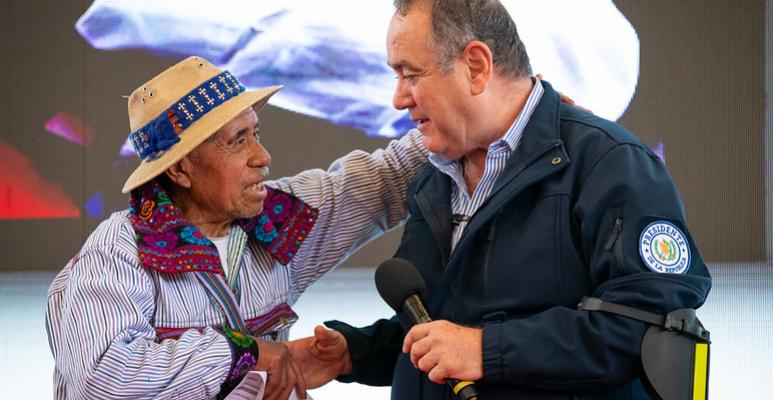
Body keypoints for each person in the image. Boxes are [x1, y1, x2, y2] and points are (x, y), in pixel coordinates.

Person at [288, 0, 712, 399]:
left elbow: (650, 328)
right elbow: (449, 331)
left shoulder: (610, 163)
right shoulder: (435, 177)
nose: (398, 98)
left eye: (410, 74)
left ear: (476, 66)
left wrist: (485, 350)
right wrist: (355, 351)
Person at [44, 56, 429, 399]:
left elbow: (390, 175)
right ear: (180, 169)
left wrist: (474, 110)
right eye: (237, 141)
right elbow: (103, 379)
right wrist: (247, 352)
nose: (262, 157)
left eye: (255, 133)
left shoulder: (278, 219)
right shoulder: (119, 253)